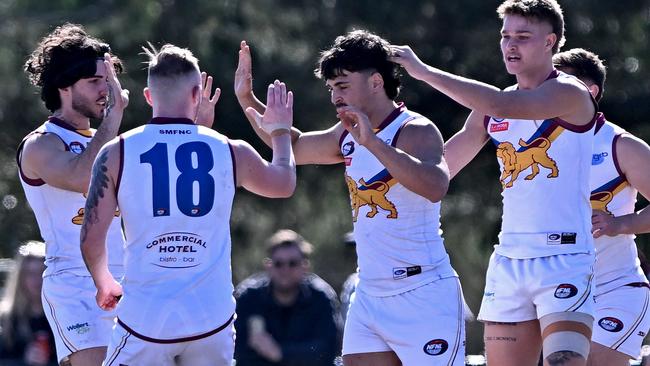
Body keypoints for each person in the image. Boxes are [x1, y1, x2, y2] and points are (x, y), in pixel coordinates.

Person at [235, 30, 465, 366]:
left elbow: (436, 186)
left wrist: (373, 143)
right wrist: (246, 99)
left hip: (423, 291)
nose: (334, 98)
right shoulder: (346, 132)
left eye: (342, 86)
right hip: (370, 292)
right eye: (331, 89)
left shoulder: (415, 129)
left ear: (375, 82)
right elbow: (293, 148)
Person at [391, 1, 598, 365]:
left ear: (551, 42)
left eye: (523, 36)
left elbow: (502, 104)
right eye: (505, 36)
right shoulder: (491, 107)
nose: (510, 45)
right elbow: (444, 167)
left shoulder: (569, 92)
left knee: (564, 362)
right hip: (509, 259)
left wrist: (423, 72)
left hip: (565, 257)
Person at [79, 43, 295, 366]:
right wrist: (279, 132)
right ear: (196, 95)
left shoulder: (116, 152)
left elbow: (91, 238)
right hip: (211, 319)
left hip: (145, 319)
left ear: (149, 97)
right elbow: (284, 183)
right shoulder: (230, 149)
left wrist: (103, 282)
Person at [17, 23, 128, 366]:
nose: (105, 91)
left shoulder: (107, 140)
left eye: (107, 81)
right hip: (75, 287)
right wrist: (113, 119)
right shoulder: (41, 144)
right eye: (95, 81)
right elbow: (84, 176)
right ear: (64, 85)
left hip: (128, 281)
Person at [553, 47, 650, 366]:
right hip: (555, 295)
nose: (547, 88)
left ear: (590, 90)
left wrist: (620, 225)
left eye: (559, 80)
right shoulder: (531, 149)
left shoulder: (621, 146)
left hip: (617, 289)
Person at [234, 229, 341, 366]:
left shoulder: (321, 297)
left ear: (305, 266)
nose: (285, 270)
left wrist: (280, 353)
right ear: (269, 266)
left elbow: (327, 350)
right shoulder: (248, 297)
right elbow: (238, 352)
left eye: (293, 263)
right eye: (279, 263)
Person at [0, 241, 57, 366]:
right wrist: (24, 361)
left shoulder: (62, 317)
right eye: (30, 274)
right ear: (20, 278)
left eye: (42, 273)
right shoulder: (6, 320)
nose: (37, 280)